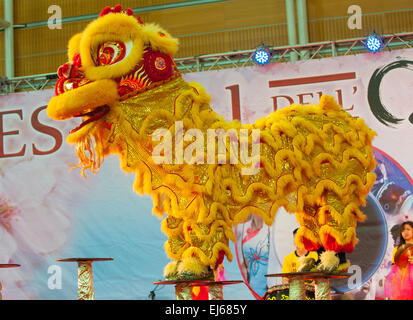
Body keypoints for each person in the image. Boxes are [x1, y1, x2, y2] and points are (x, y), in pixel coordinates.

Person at [384, 221, 413, 299]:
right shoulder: (397, 250)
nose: (405, 232)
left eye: (408, 229)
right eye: (403, 230)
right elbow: (393, 269)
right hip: (400, 285)